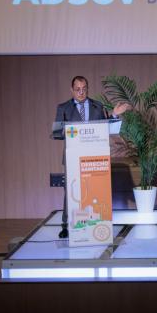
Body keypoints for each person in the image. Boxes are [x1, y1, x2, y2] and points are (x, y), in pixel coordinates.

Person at [53, 76, 130, 238]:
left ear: (87, 88)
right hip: (73, 157)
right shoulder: (64, 108)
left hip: (94, 157)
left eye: (84, 89)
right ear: (71, 90)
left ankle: (97, 222)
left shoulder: (97, 106)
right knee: (71, 190)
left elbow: (106, 128)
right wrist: (70, 130)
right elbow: (57, 133)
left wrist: (114, 115)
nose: (81, 92)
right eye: (77, 89)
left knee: (95, 188)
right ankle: (66, 225)